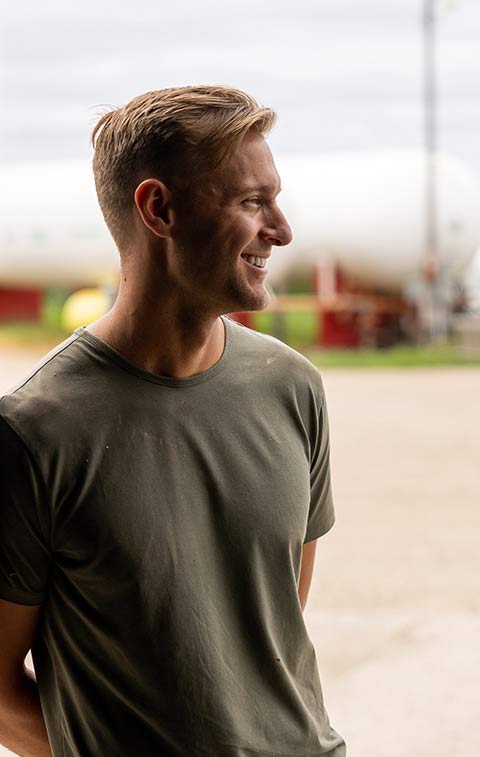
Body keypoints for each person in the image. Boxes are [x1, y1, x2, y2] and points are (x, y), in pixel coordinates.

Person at [0, 85, 345, 756]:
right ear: (158, 208)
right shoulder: (33, 433)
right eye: (252, 201)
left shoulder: (292, 387)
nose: (281, 228)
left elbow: (270, 626)